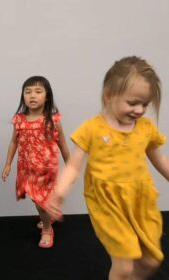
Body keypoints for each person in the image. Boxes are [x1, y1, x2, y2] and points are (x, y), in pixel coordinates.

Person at [46, 56, 169, 280]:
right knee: (123, 266)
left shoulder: (146, 129)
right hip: (107, 202)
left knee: (152, 260)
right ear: (109, 95)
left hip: (140, 199)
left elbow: (159, 158)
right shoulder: (92, 129)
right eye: (133, 103)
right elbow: (73, 166)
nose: (140, 110)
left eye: (145, 104)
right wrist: (59, 193)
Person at [1, 76, 70, 248]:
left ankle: (47, 229)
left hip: (46, 169)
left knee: (41, 203)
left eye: (38, 91)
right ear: (23, 96)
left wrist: (70, 164)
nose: (33, 95)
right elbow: (14, 142)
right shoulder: (19, 120)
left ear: (47, 96)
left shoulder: (53, 120)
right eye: (28, 92)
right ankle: (49, 215)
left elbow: (62, 142)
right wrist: (8, 163)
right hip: (27, 168)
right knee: (36, 200)